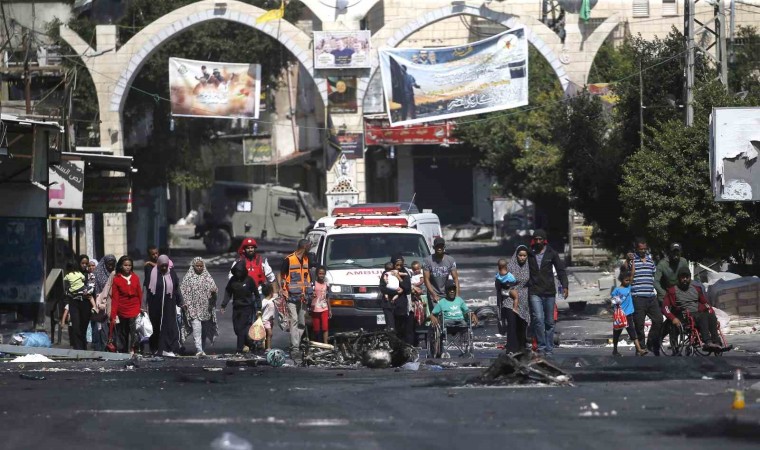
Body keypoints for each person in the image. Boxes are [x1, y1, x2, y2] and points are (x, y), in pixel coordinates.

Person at [663, 268, 730, 352]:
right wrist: (673, 318)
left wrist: (711, 312)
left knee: (710, 315)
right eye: (682, 277)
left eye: (687, 277)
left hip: (696, 313)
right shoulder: (673, 291)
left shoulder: (696, 289)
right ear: (679, 278)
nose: (685, 279)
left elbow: (706, 303)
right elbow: (665, 308)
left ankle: (716, 341)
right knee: (703, 316)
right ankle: (707, 342)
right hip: (683, 315)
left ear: (690, 278)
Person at [528, 229, 569, 357]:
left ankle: (549, 349)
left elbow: (561, 270)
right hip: (534, 291)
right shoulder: (529, 254)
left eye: (541, 239)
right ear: (533, 240)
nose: (538, 242)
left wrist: (565, 286)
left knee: (549, 322)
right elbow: (519, 268)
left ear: (544, 240)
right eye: (536, 239)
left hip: (549, 292)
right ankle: (541, 347)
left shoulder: (552, 253)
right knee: (538, 319)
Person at [626, 237, 662, 356]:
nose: (643, 251)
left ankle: (651, 341)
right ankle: (641, 347)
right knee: (639, 324)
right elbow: (625, 271)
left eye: (645, 249)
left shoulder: (651, 261)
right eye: (640, 249)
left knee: (658, 320)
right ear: (636, 249)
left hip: (651, 297)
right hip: (638, 297)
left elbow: (655, 276)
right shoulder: (632, 261)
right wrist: (627, 259)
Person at [180, 257, 219, 357]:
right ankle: (198, 348)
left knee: (204, 330)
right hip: (193, 308)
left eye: (201, 266)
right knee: (197, 329)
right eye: (197, 266)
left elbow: (214, 289)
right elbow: (182, 291)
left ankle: (202, 348)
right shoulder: (188, 277)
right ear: (193, 266)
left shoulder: (207, 277)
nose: (199, 268)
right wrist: (184, 303)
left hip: (205, 309)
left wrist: (214, 292)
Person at [146, 255, 184, 357]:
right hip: (156, 306)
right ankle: (155, 348)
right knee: (156, 327)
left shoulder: (171, 273)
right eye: (161, 266)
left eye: (165, 266)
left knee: (169, 326)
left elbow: (176, 289)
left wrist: (181, 302)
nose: (163, 268)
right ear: (158, 265)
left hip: (169, 305)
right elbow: (148, 291)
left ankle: (168, 348)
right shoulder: (153, 273)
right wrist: (146, 305)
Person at [279, 239, 312, 354]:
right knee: (294, 320)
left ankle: (295, 342)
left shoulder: (307, 259)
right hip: (291, 297)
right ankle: (295, 347)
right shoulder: (289, 259)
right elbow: (282, 275)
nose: (310, 249)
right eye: (309, 246)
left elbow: (307, 278)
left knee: (302, 323)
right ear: (304, 247)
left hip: (303, 297)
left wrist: (309, 292)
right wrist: (282, 290)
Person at [222, 262, 260, 354]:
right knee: (236, 329)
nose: (238, 273)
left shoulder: (249, 280)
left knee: (241, 328)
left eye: (240, 271)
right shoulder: (232, 280)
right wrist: (224, 305)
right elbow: (228, 292)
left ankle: (239, 350)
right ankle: (250, 344)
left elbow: (256, 294)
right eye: (237, 271)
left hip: (247, 307)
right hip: (236, 307)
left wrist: (259, 307)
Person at [611, 270, 648, 357]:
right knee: (616, 333)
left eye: (629, 280)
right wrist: (616, 301)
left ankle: (639, 349)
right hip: (620, 316)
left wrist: (631, 262)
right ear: (621, 280)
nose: (628, 282)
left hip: (628, 314)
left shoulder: (629, 288)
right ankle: (615, 350)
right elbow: (612, 300)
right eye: (626, 280)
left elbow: (632, 274)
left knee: (632, 332)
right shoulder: (616, 290)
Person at [110, 256, 142, 355]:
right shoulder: (116, 279)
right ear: (121, 266)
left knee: (134, 331)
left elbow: (139, 293)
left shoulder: (135, 277)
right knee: (123, 332)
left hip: (134, 308)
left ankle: (134, 349)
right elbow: (115, 298)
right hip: (122, 309)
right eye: (125, 265)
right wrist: (113, 314)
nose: (127, 267)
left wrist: (141, 307)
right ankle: (124, 350)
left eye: (129, 265)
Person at [379, 255, 414, 344]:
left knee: (401, 328)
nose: (398, 267)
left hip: (401, 305)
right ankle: (392, 345)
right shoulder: (386, 273)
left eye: (400, 265)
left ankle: (402, 347)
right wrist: (396, 292)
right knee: (391, 328)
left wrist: (398, 276)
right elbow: (382, 288)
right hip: (388, 305)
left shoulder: (404, 273)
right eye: (396, 265)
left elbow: (407, 288)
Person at [505, 245, 532, 353]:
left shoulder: (530, 267)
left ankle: (521, 348)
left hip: (524, 299)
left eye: (524, 256)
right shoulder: (509, 266)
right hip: (509, 298)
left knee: (522, 324)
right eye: (520, 255)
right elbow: (500, 281)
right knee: (512, 324)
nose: (522, 258)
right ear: (516, 255)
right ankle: (511, 349)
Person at [423, 237, 460, 312]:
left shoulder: (450, 260)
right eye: (437, 246)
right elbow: (426, 279)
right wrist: (433, 294)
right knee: (436, 313)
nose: (439, 248)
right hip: (433, 292)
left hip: (446, 291)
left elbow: (455, 278)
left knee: (449, 313)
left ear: (444, 247)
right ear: (434, 247)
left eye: (441, 246)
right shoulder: (427, 260)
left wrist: (457, 295)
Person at [63, 257, 92, 350]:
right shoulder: (69, 275)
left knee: (83, 326)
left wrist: (86, 291)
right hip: (74, 302)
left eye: (86, 263)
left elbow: (91, 287)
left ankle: (83, 348)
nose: (84, 265)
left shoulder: (89, 275)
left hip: (85, 303)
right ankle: (78, 349)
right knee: (76, 326)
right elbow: (65, 289)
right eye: (82, 263)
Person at [92, 255, 116, 351]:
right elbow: (96, 290)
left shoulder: (116, 273)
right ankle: (102, 349)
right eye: (108, 264)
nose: (110, 266)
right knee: (102, 329)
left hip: (115, 304)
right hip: (101, 305)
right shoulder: (98, 273)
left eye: (112, 264)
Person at [311, 266, 332, 344]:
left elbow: (327, 297)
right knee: (316, 329)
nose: (321, 275)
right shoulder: (313, 284)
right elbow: (309, 296)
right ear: (317, 274)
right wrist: (311, 296)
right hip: (315, 309)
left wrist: (330, 310)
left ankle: (325, 344)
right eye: (320, 273)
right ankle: (317, 343)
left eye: (323, 274)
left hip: (324, 308)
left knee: (325, 327)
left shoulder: (326, 285)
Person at [260, 284, 276, 350]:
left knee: (268, 335)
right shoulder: (264, 301)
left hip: (271, 320)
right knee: (270, 333)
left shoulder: (273, 299)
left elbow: (277, 295)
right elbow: (260, 308)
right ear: (270, 292)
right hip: (265, 320)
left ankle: (266, 346)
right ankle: (268, 348)